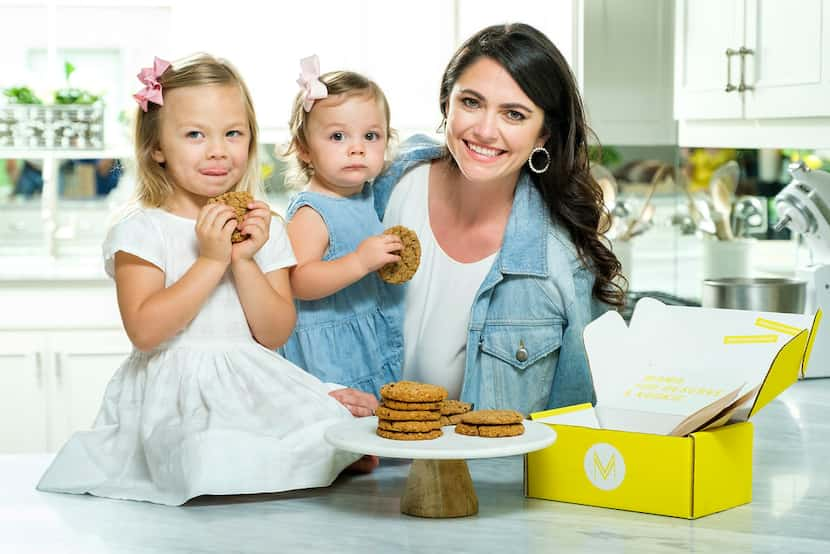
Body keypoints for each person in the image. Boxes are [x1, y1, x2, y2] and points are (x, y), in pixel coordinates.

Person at [37, 53, 371, 506]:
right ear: (157, 146)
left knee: (330, 434)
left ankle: (319, 455)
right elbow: (146, 331)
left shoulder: (262, 224)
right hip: (171, 390)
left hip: (248, 376)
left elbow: (274, 333)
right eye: (195, 134)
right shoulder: (143, 230)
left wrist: (245, 260)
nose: (218, 150)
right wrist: (211, 261)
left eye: (232, 133)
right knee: (206, 452)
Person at [367, 23, 625, 415]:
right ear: (446, 103)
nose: (485, 130)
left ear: (543, 136)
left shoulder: (560, 262)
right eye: (471, 102)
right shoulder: (387, 186)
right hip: (355, 467)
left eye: (514, 114)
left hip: (483, 477)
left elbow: (575, 425)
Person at [278, 56, 404, 398]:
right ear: (304, 149)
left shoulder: (365, 196)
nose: (357, 148)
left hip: (367, 336)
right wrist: (360, 262)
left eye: (371, 136)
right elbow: (297, 280)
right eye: (337, 136)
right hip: (329, 354)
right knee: (341, 434)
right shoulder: (311, 212)